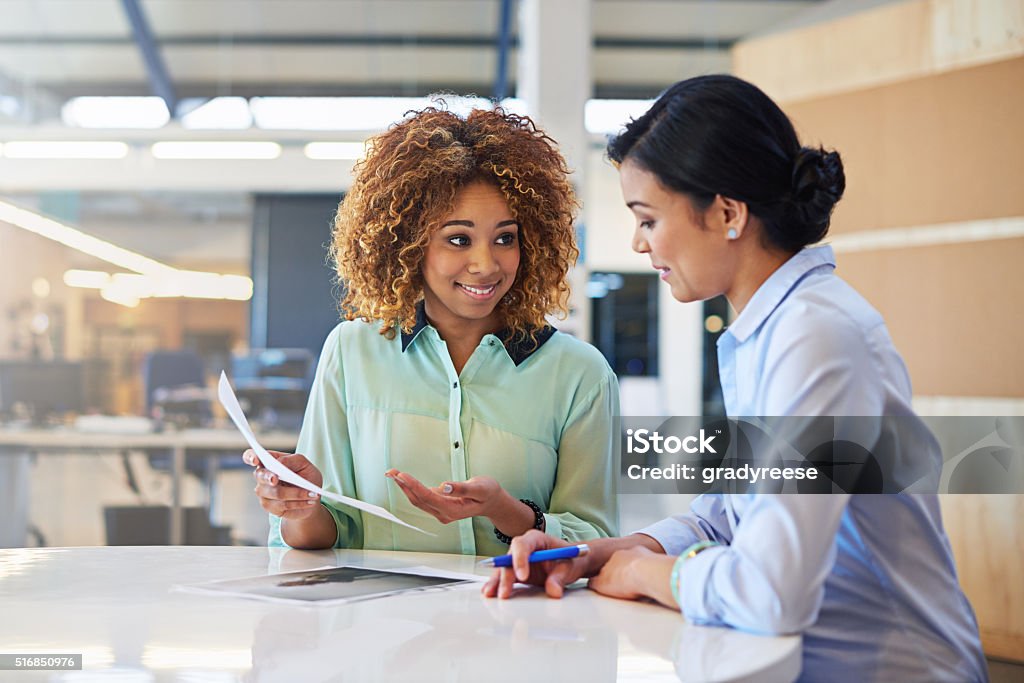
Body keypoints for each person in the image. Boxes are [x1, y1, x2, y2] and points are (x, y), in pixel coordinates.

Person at [482, 75, 987, 683]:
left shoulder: (816, 336)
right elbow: (726, 517)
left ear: (726, 212)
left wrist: (646, 574)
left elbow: (772, 594)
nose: (639, 244)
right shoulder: (764, 333)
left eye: (647, 219)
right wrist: (595, 555)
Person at [244, 105, 619, 556]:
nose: (485, 264)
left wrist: (507, 512)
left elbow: (595, 539)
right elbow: (325, 536)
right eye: (458, 239)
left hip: (518, 621)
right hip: (383, 622)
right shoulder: (352, 352)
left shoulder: (580, 374)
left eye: (506, 238)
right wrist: (300, 508)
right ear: (410, 244)